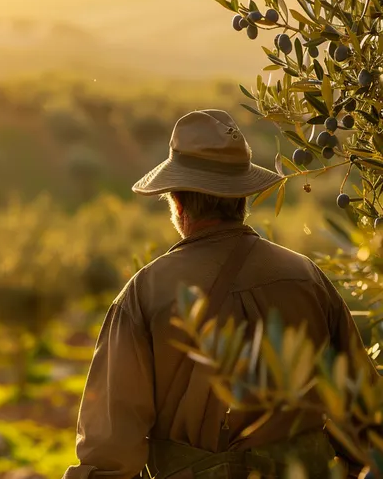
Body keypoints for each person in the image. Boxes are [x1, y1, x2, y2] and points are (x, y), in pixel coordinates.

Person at [63, 110, 379, 479]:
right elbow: (366, 421)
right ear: (242, 197)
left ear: (177, 202)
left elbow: (110, 452)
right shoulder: (306, 278)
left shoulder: (145, 292)